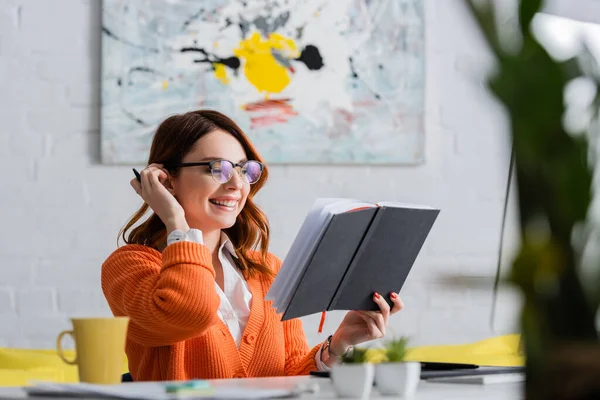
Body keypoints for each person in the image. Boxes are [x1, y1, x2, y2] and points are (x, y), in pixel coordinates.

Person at [101, 110, 404, 381]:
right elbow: (187, 313)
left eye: (244, 169)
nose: (236, 183)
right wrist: (175, 223)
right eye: (216, 168)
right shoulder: (130, 267)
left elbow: (288, 374)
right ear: (167, 181)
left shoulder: (267, 269)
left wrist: (338, 343)